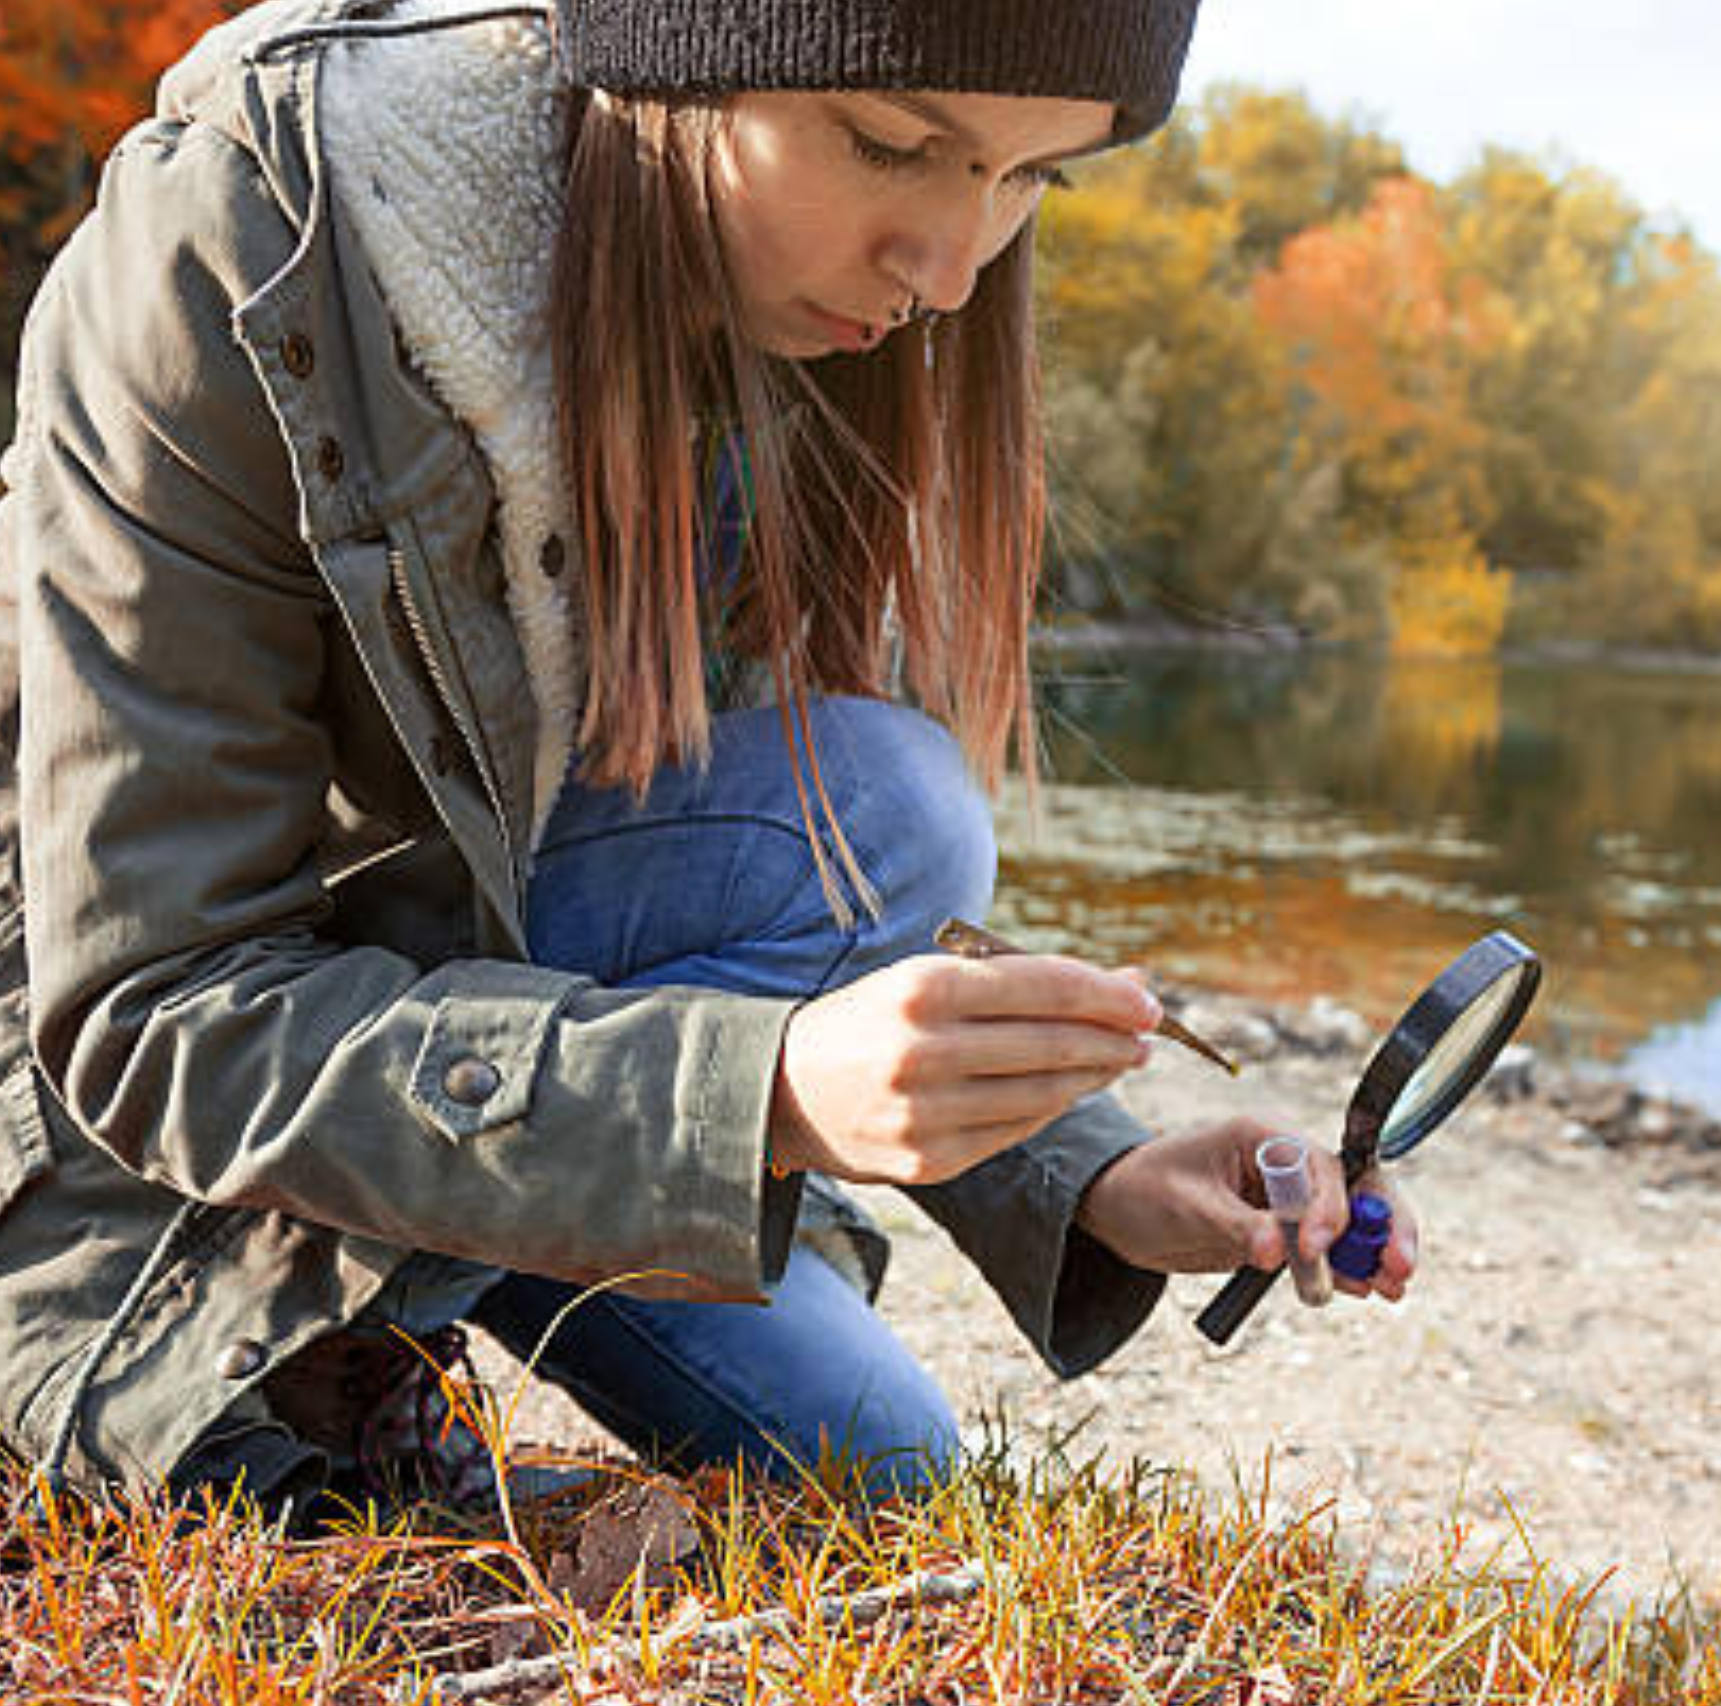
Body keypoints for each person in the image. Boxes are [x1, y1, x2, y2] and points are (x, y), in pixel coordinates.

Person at [0, 0, 1416, 1514]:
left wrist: (1092, 1175)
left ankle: (417, 1300)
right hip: (107, 1146)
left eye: (1032, 180)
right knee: (890, 811)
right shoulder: (238, 245)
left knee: (893, 1471)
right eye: (892, 145)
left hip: (520, 1049)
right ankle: (321, 1350)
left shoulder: (784, 298)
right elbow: (157, 1008)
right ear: (673, 52)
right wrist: (766, 1103)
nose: (951, 270)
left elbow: (764, 884)